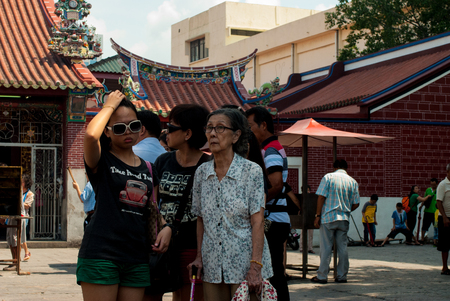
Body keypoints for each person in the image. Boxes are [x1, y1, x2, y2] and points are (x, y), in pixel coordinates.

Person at [77, 90, 172, 301]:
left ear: (141, 128)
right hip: (101, 253)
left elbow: (151, 209)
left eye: (134, 125)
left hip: (136, 256)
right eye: (119, 128)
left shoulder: (148, 168)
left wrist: (166, 228)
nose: (128, 131)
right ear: (108, 132)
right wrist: (108, 106)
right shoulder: (101, 160)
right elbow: (91, 136)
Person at [189, 108, 273, 301]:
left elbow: (257, 223)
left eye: (220, 128)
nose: (212, 133)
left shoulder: (251, 172)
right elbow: (201, 219)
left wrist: (255, 267)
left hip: (245, 264)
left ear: (236, 136)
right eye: (209, 128)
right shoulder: (202, 173)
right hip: (212, 264)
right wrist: (199, 257)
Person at [145, 104, 211, 301]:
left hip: (191, 245)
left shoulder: (208, 166)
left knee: (186, 297)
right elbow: (153, 202)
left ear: (188, 133)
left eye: (171, 128)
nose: (166, 133)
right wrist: (164, 226)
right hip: (161, 244)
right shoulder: (163, 161)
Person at [246, 106, 290, 300]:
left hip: (273, 220)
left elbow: (276, 184)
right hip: (276, 219)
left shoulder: (270, 150)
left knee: (273, 274)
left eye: (250, 127)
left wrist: (257, 207)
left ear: (263, 125)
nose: (248, 133)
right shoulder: (270, 148)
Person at [311, 159, 360, 284]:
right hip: (344, 218)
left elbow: (321, 197)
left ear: (334, 167)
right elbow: (356, 203)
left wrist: (317, 215)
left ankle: (322, 276)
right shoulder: (352, 181)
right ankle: (342, 276)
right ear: (346, 168)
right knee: (342, 248)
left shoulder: (328, 177)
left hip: (328, 217)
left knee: (326, 247)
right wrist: (347, 209)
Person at [2, 174, 34, 270]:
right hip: (12, 215)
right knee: (10, 239)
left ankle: (17, 261)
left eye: (22, 181)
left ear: (25, 183)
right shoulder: (16, 192)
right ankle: (14, 260)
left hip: (21, 217)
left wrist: (18, 201)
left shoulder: (29, 194)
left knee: (17, 239)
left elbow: (27, 205)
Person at [436, 164, 450, 275]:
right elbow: (439, 202)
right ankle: (444, 267)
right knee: (445, 244)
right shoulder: (443, 185)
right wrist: (444, 217)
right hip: (445, 218)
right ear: (447, 171)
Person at [421, 178, 438, 243]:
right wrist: (421, 206)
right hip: (427, 211)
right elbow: (424, 199)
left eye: (434, 184)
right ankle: (422, 238)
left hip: (436, 211)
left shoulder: (439, 190)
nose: (432, 186)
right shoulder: (428, 190)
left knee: (436, 226)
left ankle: (435, 240)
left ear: (436, 184)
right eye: (431, 184)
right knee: (425, 225)